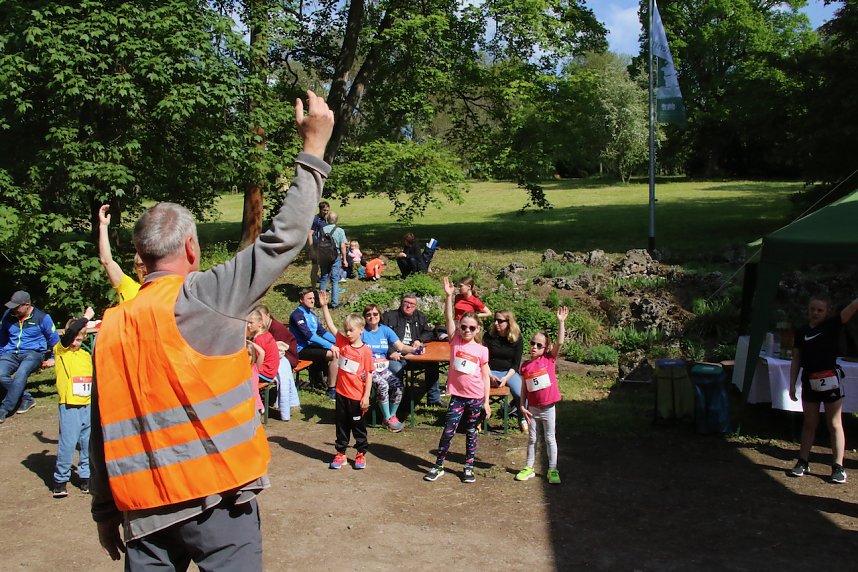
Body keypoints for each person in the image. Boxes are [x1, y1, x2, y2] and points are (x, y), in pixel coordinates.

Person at [89, 90, 334, 570]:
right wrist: (314, 150)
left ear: (140, 257)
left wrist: (103, 511)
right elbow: (282, 238)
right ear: (192, 250)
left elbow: (101, 433)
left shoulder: (112, 326)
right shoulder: (206, 296)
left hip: (143, 511)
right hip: (219, 502)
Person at [423, 276, 491, 484]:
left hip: (475, 397)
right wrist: (448, 297)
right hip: (458, 397)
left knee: (471, 433)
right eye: (464, 327)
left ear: (478, 329)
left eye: (471, 328)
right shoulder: (455, 341)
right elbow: (448, 318)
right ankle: (438, 465)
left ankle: (468, 467)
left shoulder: (481, 350)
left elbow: (485, 376)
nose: (467, 330)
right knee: (448, 432)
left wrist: (487, 402)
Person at [788, 294, 858, 484]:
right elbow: (796, 359)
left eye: (820, 310)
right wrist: (792, 383)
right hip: (809, 381)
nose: (815, 313)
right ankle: (803, 461)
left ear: (827, 312)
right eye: (812, 309)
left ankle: (838, 467)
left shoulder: (833, 325)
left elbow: (852, 307)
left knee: (834, 423)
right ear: (808, 310)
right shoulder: (801, 331)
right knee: (810, 422)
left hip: (830, 381)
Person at [316, 295, 373, 470]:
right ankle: (341, 453)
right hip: (341, 394)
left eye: (351, 330)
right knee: (341, 426)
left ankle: (360, 453)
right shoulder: (343, 344)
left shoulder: (365, 352)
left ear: (361, 329)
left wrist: (366, 397)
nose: (347, 333)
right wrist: (325, 307)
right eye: (346, 330)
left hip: (357, 397)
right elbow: (332, 327)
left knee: (358, 426)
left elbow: (369, 375)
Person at [516, 306, 568, 485]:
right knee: (532, 438)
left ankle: (552, 469)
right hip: (532, 409)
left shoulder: (549, 360)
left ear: (546, 348)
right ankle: (529, 467)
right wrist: (522, 406)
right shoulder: (525, 366)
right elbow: (524, 388)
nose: (534, 347)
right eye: (532, 343)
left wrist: (561, 322)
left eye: (539, 345)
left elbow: (560, 343)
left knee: (549, 438)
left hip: (548, 408)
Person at [346, 302, 412, 432]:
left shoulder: (385, 330)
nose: (372, 317)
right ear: (364, 317)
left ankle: (391, 416)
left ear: (379, 315)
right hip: (366, 370)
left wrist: (414, 349)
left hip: (382, 368)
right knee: (383, 385)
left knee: (398, 386)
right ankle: (387, 418)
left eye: (375, 314)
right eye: (368, 314)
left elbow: (401, 346)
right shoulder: (362, 332)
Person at [52, 308, 96, 498]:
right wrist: (86, 318)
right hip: (70, 406)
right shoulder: (61, 352)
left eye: (79, 340)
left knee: (88, 444)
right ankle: (60, 480)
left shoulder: (85, 356)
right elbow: (70, 333)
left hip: (88, 405)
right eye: (73, 339)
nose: (75, 343)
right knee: (68, 444)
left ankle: (85, 477)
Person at [0, 290, 60, 422]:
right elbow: (2, 338)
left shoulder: (42, 317)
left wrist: (53, 358)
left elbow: (55, 341)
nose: (13, 309)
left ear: (27, 305)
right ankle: (26, 398)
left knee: (21, 373)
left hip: (34, 354)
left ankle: (4, 409)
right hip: (10, 353)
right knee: (0, 374)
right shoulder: (7, 315)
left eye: (16, 307)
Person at [383, 293, 443, 406]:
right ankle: (397, 401)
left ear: (415, 306)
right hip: (397, 355)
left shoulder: (420, 316)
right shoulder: (389, 316)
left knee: (433, 363)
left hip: (415, 354)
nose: (409, 306)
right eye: (406, 303)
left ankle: (434, 399)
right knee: (397, 368)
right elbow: (381, 336)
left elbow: (429, 332)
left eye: (412, 304)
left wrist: (419, 340)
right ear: (401, 303)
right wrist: (391, 352)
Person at [289, 288, 339, 400]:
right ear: (301, 300)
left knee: (337, 349)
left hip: (311, 346)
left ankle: (325, 381)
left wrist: (338, 342)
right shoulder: (297, 315)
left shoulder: (312, 315)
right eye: (309, 298)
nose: (312, 301)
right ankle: (331, 390)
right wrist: (331, 346)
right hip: (300, 349)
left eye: (313, 298)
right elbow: (309, 335)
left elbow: (322, 332)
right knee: (334, 354)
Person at [254, 304, 300, 419]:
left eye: (261, 317)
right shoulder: (266, 332)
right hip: (273, 362)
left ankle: (258, 405)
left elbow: (266, 353)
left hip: (290, 357)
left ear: (267, 316)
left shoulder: (274, 329)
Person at [484, 309, 525, 432]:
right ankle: (479, 418)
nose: (496, 323)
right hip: (490, 371)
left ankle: (522, 418)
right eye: (495, 320)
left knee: (521, 392)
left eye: (500, 321)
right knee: (479, 389)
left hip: (509, 372)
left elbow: (516, 364)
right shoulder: (489, 336)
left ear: (509, 322)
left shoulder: (517, 339)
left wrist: (506, 378)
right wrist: (490, 376)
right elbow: (484, 360)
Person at [98, 204, 147, 303]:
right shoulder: (128, 286)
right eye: (140, 265)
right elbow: (106, 261)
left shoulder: (167, 291)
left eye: (147, 264)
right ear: (135, 268)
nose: (145, 269)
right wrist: (103, 226)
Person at [318, 211, 349, 307]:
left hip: (323, 257)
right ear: (336, 220)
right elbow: (343, 246)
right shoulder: (339, 230)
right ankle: (334, 302)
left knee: (323, 278)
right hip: (335, 256)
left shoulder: (321, 230)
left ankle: (321, 301)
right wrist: (344, 259)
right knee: (335, 279)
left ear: (327, 219)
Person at [308, 201, 330, 285]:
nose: (326, 212)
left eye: (327, 210)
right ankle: (313, 288)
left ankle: (323, 285)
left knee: (327, 267)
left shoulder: (327, 219)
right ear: (320, 209)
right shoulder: (316, 219)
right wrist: (312, 250)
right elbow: (309, 234)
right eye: (324, 210)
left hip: (325, 246)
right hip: (316, 246)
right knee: (315, 267)